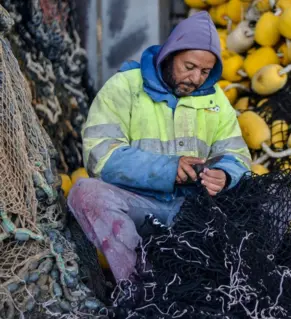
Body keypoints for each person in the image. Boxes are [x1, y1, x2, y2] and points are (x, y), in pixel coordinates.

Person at [67, 11, 251, 283]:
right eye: (189, 66)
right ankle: (138, 286)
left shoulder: (217, 101)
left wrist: (224, 175)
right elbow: (99, 154)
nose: (197, 78)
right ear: (170, 55)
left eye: (205, 71)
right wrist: (168, 169)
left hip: (192, 211)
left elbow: (238, 156)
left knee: (268, 204)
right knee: (84, 193)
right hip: (137, 206)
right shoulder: (125, 87)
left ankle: (212, 286)